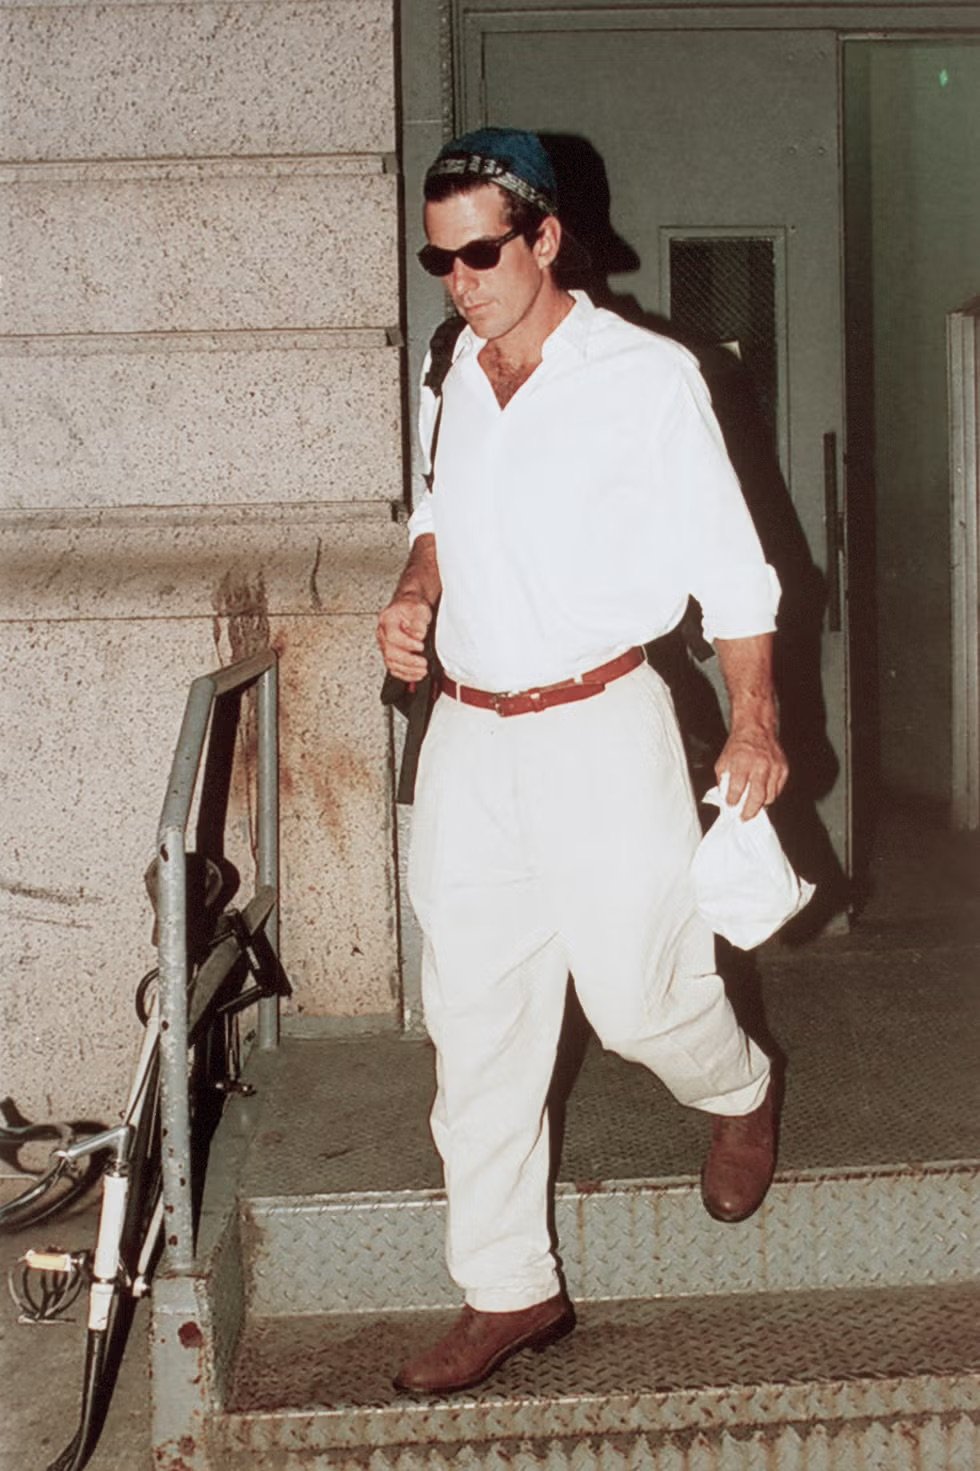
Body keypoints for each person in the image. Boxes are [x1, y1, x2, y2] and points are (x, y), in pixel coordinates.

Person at [376, 127, 789, 1396]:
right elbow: (439, 509)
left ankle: (739, 1085)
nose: (459, 282)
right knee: (475, 1019)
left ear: (547, 237)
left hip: (600, 722)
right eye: (439, 261)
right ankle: (508, 1286)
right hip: (468, 734)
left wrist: (754, 718)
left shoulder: (646, 380)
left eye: (481, 254)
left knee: (638, 996)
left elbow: (733, 569)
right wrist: (416, 586)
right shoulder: (453, 363)